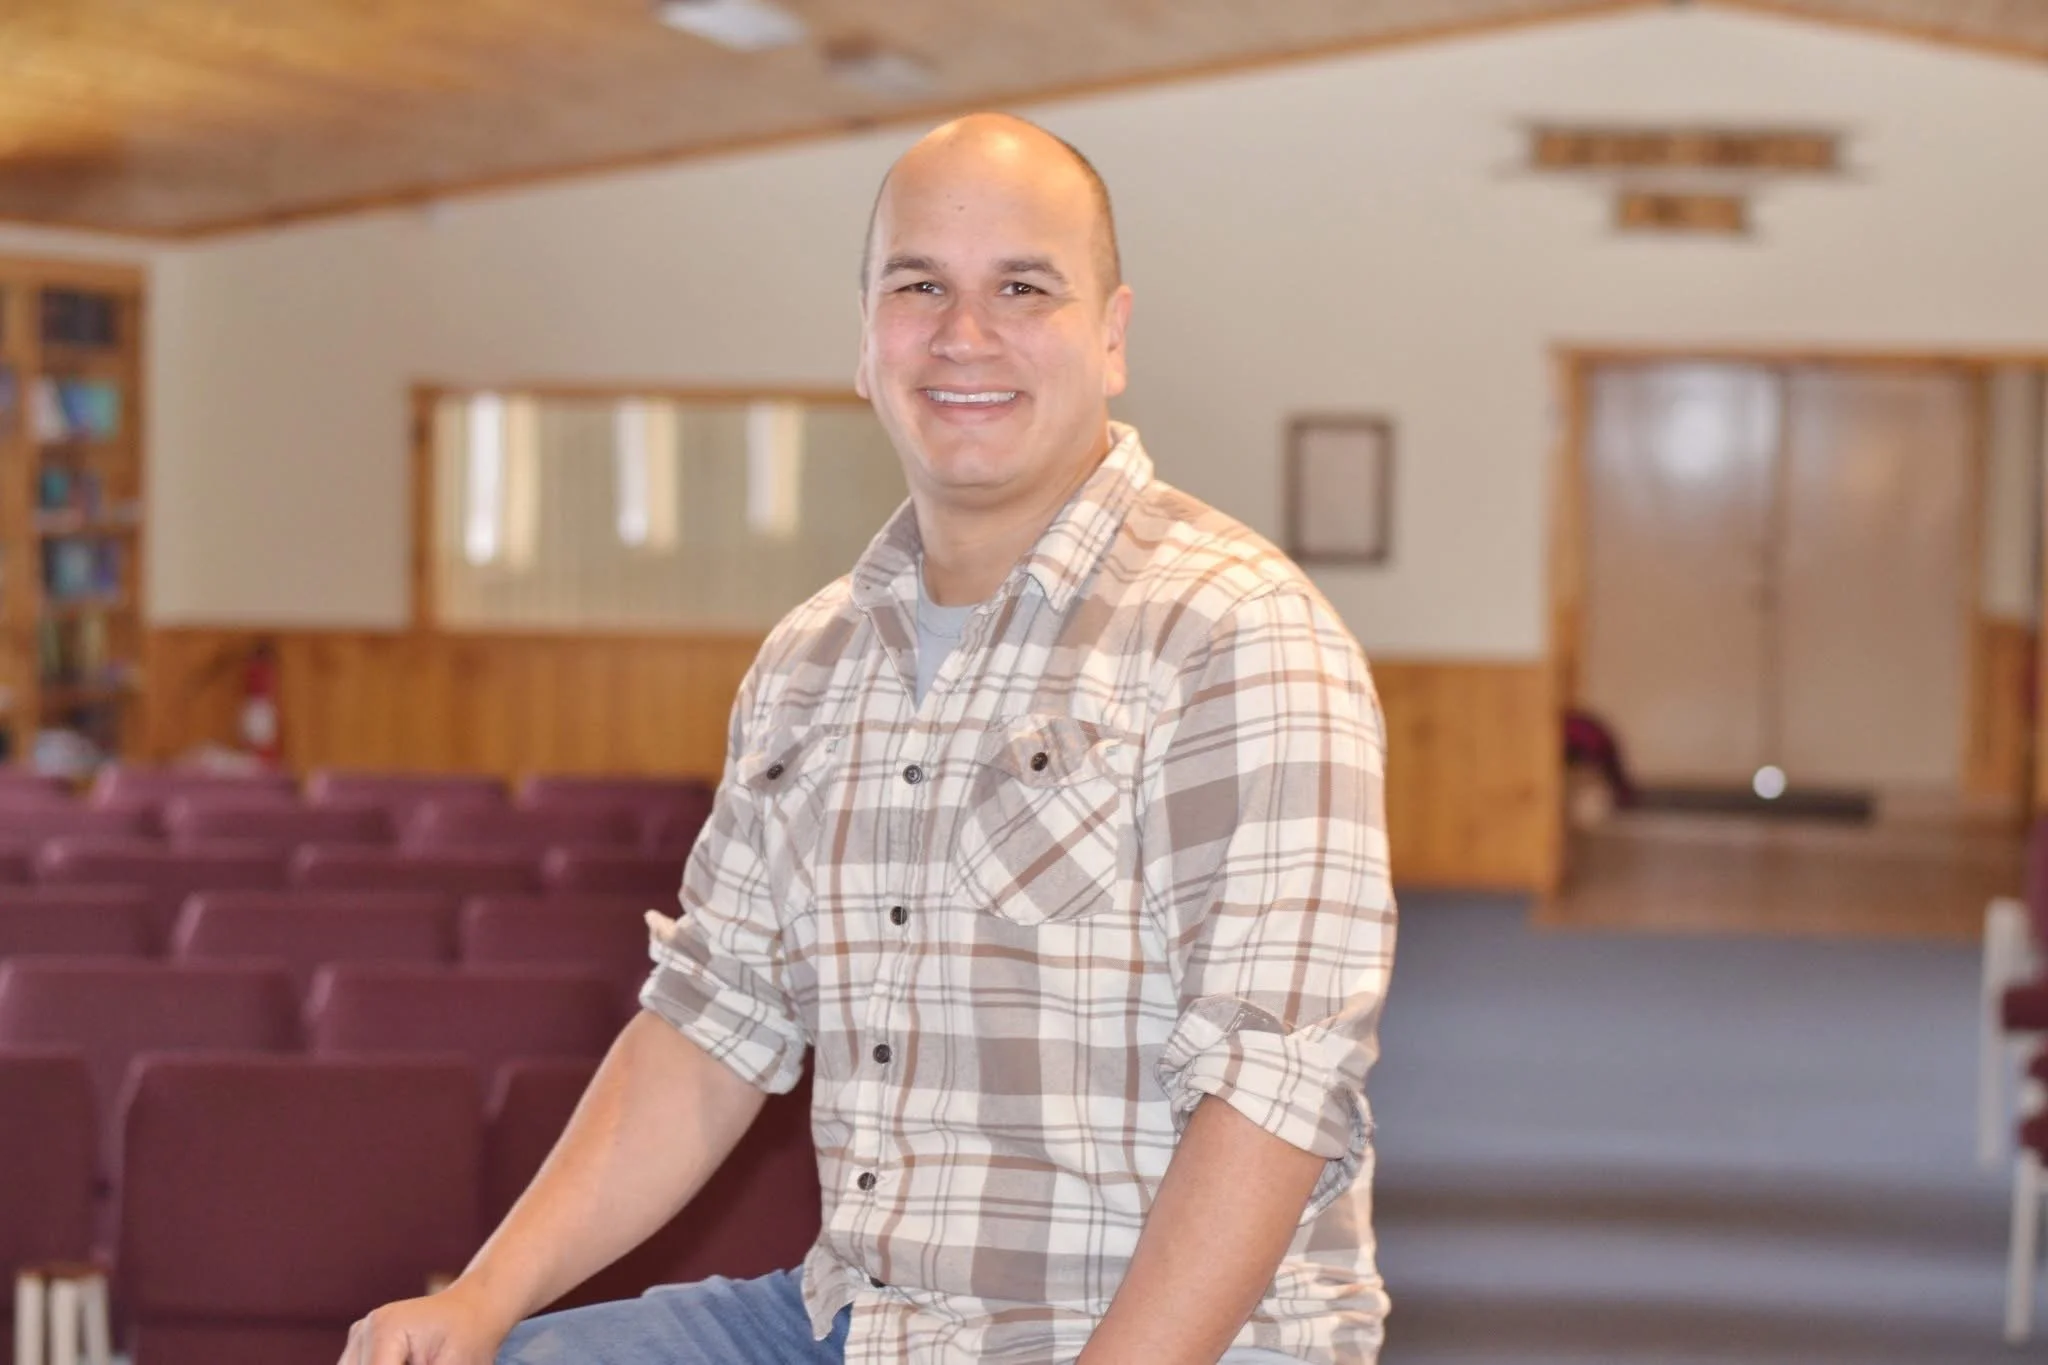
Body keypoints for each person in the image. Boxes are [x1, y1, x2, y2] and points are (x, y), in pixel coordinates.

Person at [344, 111, 1395, 1365]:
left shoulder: (1238, 634)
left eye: (1022, 287)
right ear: (863, 340)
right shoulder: (810, 662)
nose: (964, 333)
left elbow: (1271, 1090)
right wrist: (479, 1296)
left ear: (1110, 335)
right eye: (918, 287)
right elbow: (708, 1025)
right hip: (858, 1321)